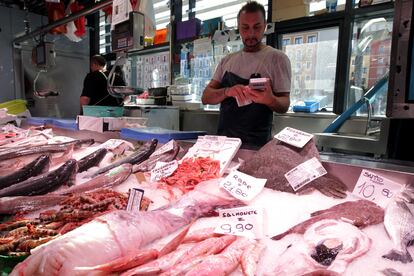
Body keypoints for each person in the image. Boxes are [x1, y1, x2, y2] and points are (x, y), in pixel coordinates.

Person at [201, 1, 291, 149]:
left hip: (257, 146)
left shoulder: (277, 59)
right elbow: (206, 97)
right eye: (245, 27)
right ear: (238, 28)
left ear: (265, 26)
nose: (251, 34)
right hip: (224, 144)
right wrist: (227, 91)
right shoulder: (227, 60)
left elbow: (284, 104)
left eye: (256, 27)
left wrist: (270, 99)